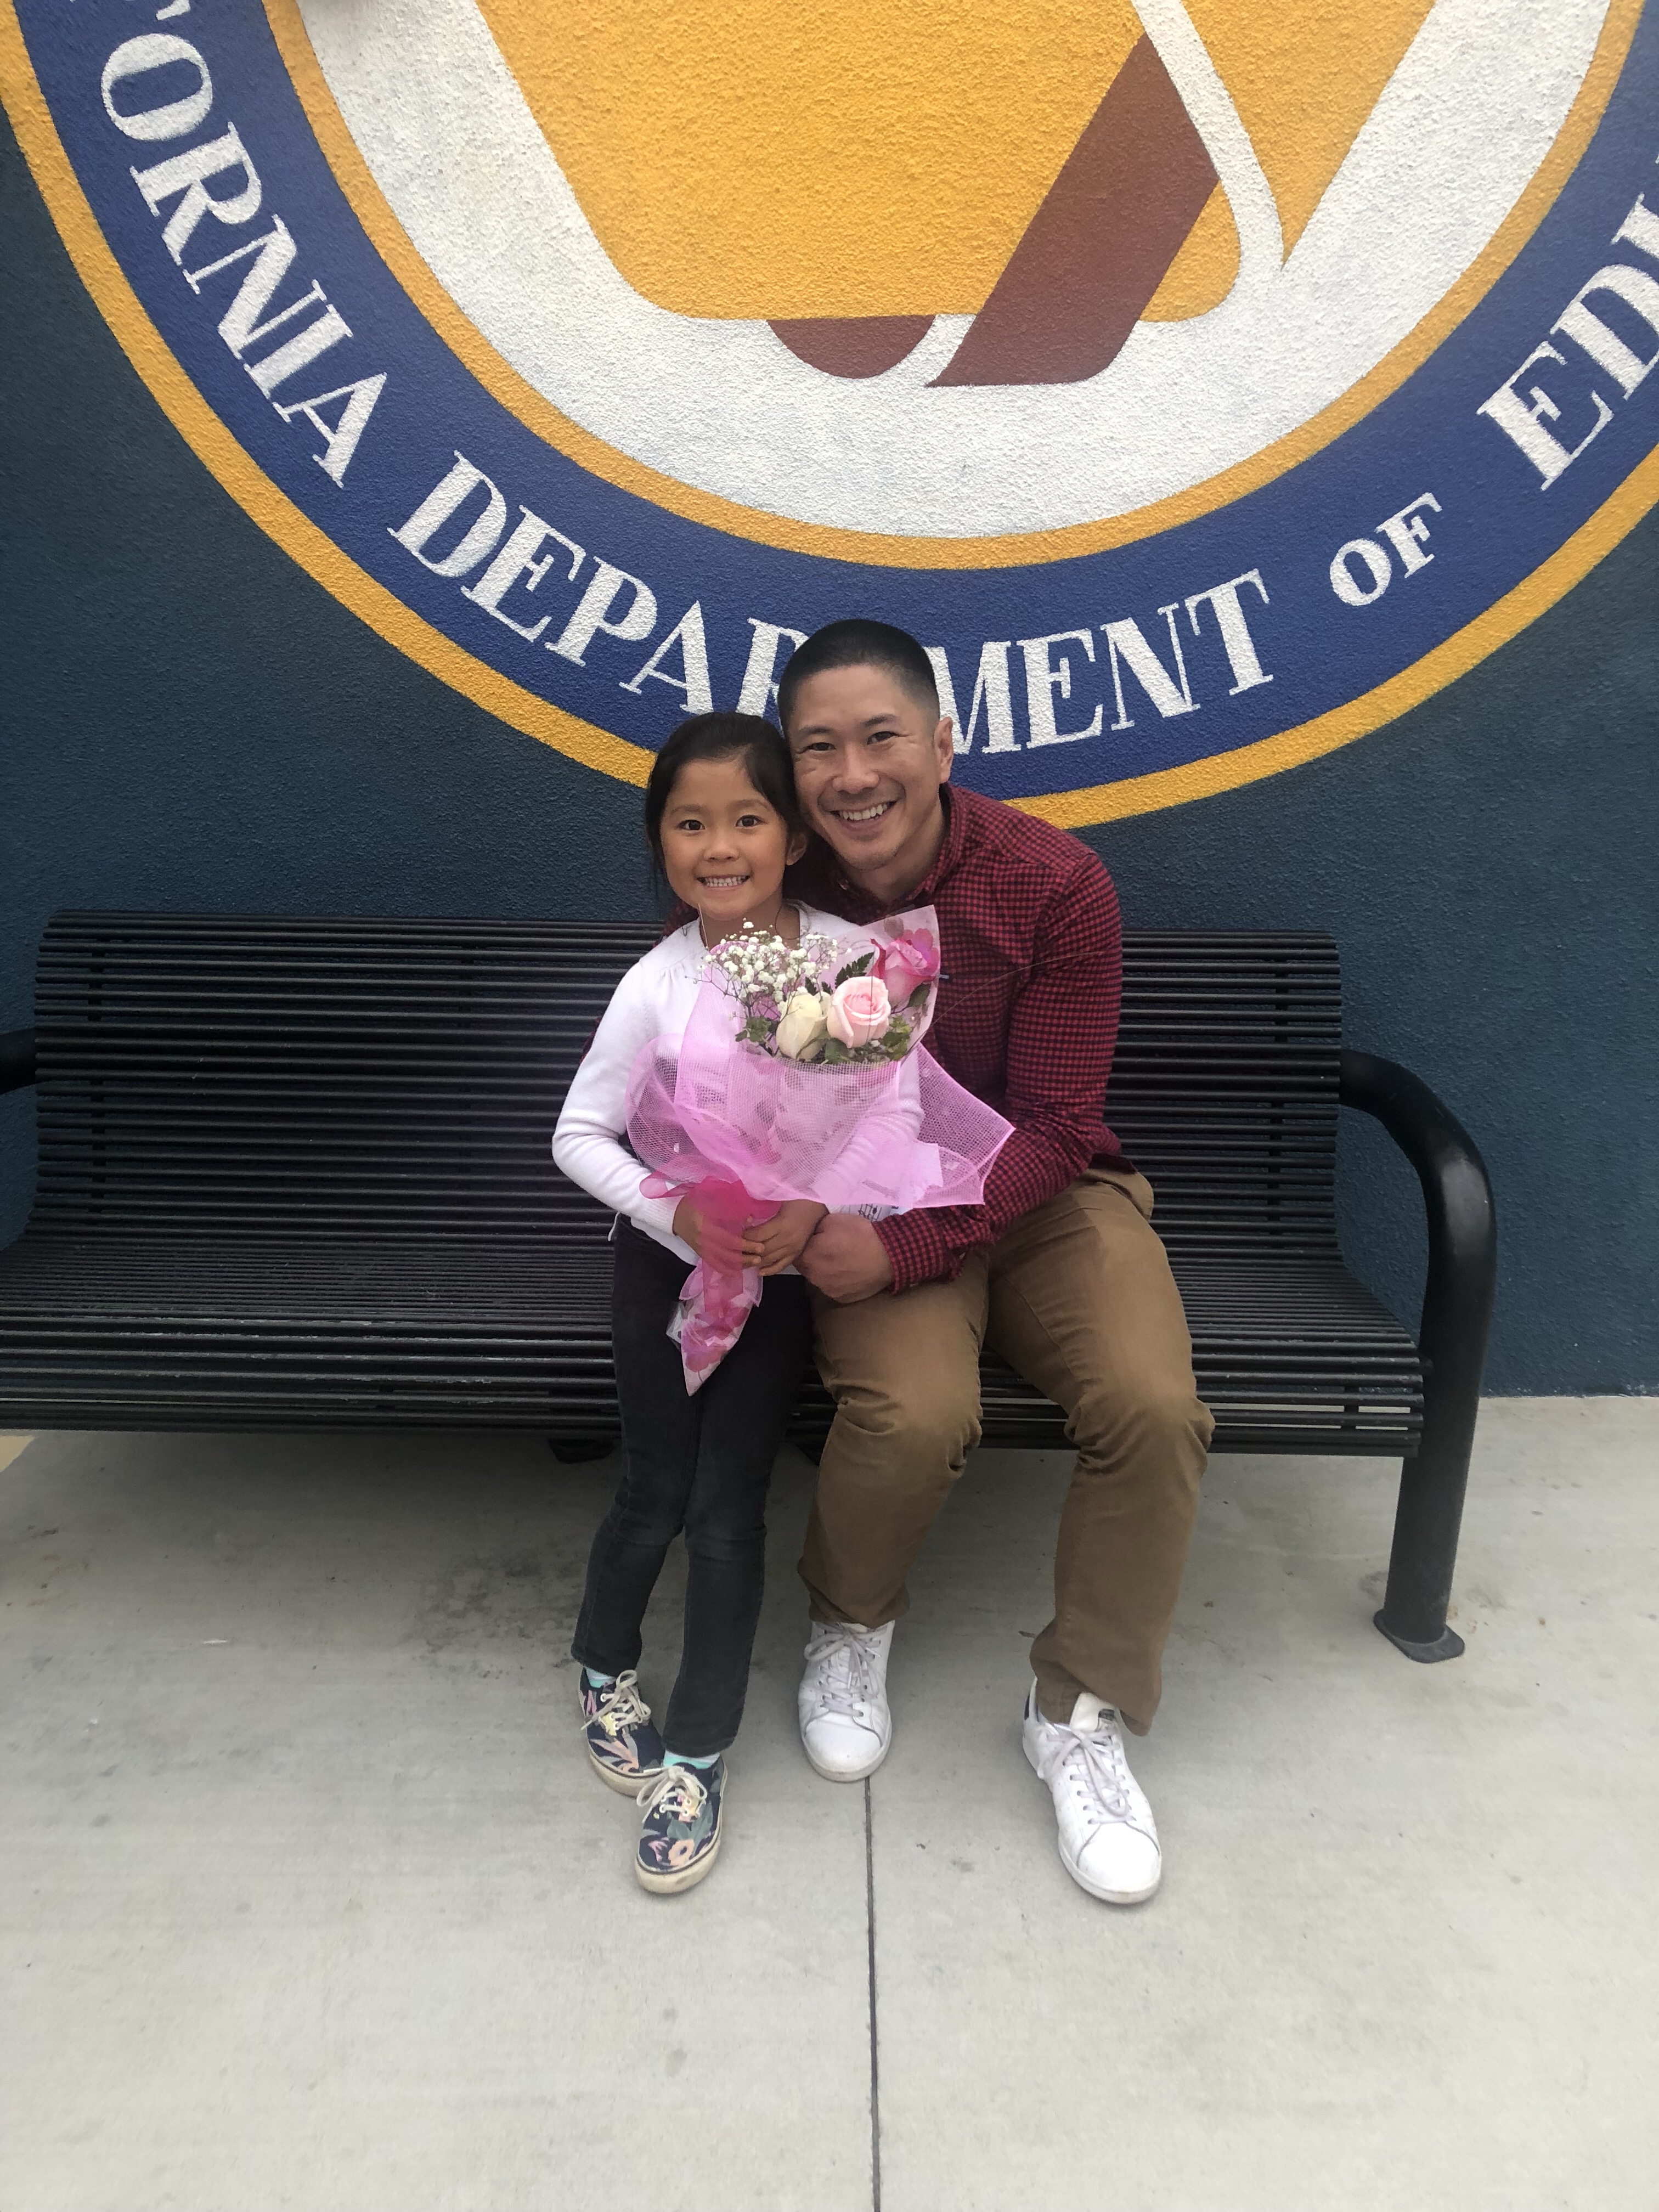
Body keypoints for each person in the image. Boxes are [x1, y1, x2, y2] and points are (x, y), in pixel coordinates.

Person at [781, 620, 1214, 1906]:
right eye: (818, 748)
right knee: (914, 1413)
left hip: (1042, 1196)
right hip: (868, 1196)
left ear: (943, 744)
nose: (853, 775)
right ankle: (850, 1621)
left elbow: (1060, 1127)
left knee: (1153, 1407)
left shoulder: (1051, 881)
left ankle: (1077, 1711)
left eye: (881, 738)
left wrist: (916, 1244)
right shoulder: (776, 882)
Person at [552, 711, 851, 1894]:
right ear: (660, 843)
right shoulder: (658, 981)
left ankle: (697, 1754)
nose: (719, 847)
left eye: (746, 819)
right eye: (689, 824)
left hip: (776, 1278)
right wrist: (671, 1213)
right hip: (666, 1268)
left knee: (731, 1511)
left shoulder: (853, 970)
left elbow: (887, 1117)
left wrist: (815, 1207)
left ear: (794, 838)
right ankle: (601, 1663)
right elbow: (578, 1134)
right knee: (655, 1490)